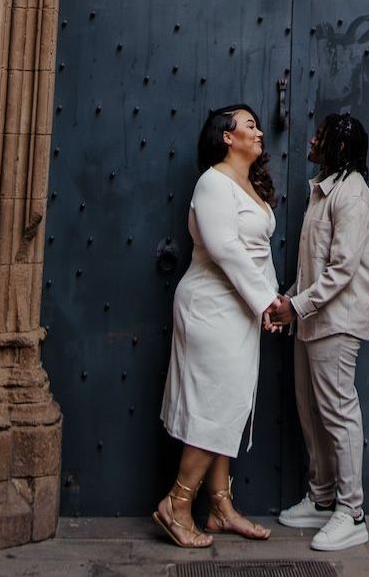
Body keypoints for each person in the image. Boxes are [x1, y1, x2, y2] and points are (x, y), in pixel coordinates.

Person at [154, 104, 289, 547]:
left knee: (230, 403)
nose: (260, 131)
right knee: (214, 403)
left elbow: (258, 255)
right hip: (210, 306)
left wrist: (270, 302)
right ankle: (176, 504)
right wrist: (264, 300)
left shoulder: (249, 186)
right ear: (227, 136)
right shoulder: (213, 182)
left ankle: (219, 507)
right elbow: (225, 248)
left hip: (240, 309)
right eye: (250, 125)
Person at [268, 113, 369, 552]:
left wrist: (295, 307)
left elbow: (341, 271)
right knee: (311, 409)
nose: (312, 141)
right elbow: (312, 266)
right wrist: (288, 301)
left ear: (339, 146)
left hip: (337, 322)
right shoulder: (323, 190)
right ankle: (322, 497)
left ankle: (352, 513)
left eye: (321, 136)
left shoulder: (352, 196)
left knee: (338, 412)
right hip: (312, 319)